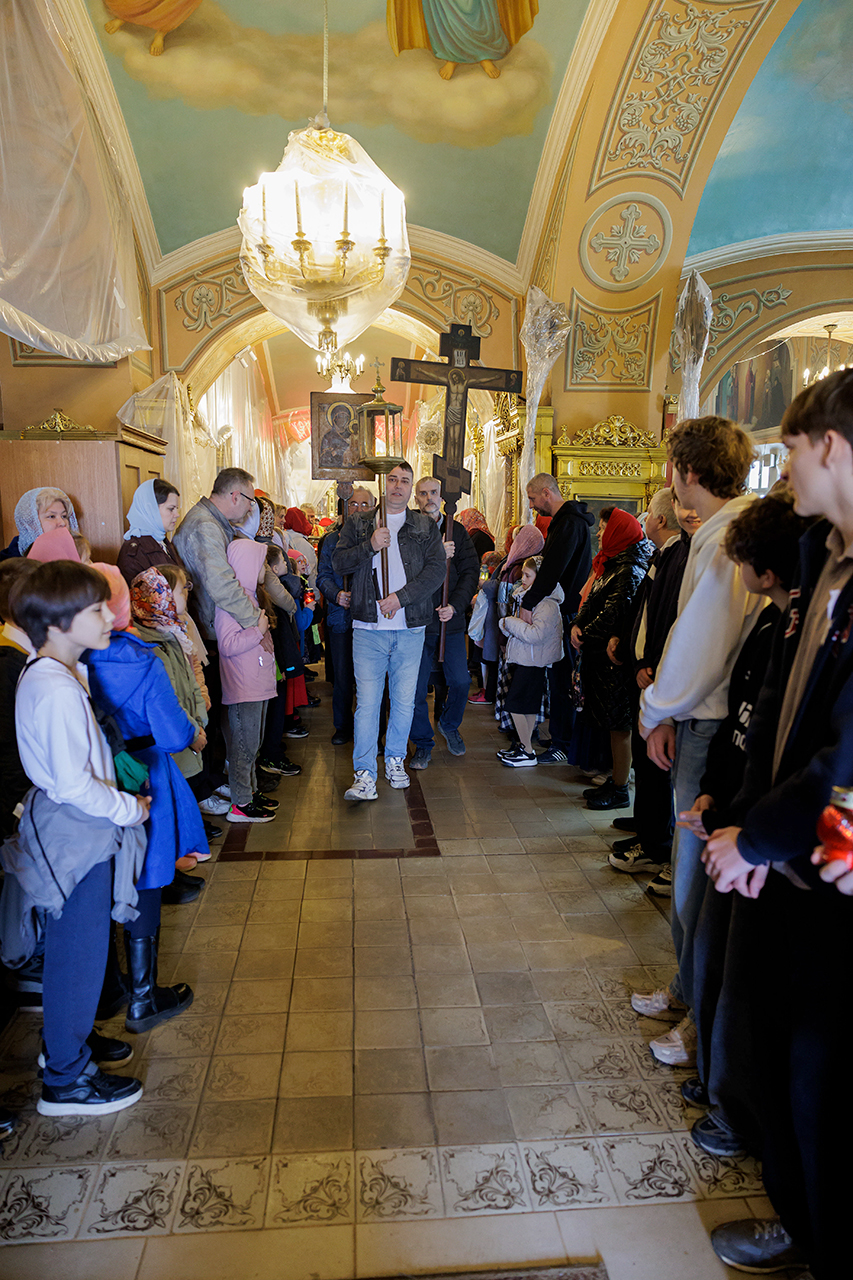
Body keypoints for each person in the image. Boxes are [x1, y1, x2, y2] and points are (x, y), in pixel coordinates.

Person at [693, 371, 853, 1280]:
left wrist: (757, 839)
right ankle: (796, 1222)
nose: (779, 466)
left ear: (828, 444)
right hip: (787, 857)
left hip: (832, 865)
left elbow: (845, 749)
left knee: (821, 1080)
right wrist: (745, 825)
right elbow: (779, 716)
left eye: (788, 449)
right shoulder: (818, 552)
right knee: (781, 1061)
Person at [674, 490, 811, 1164]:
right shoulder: (772, 627)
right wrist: (716, 796)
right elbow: (746, 728)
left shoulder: (799, 627)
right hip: (738, 813)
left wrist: (747, 827)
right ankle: (718, 1078)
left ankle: (736, 1106)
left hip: (767, 834)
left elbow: (793, 746)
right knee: (713, 956)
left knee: (741, 977)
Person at [633, 415, 764, 1069]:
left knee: (694, 881)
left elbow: (701, 643)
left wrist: (655, 708)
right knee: (690, 875)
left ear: (685, 472)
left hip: (710, 725)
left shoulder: (725, 540)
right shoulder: (717, 530)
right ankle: (687, 989)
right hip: (700, 717)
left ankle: (699, 1016)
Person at [8, 561, 148, 1116]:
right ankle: (65, 1080)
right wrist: (129, 809)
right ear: (58, 623)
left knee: (80, 948)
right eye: (95, 609)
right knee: (79, 953)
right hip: (75, 829)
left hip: (73, 825)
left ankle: (68, 1044)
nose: (109, 616)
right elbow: (73, 784)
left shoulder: (54, 673)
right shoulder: (54, 688)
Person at [332, 461, 446, 800]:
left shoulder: (423, 525)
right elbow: (338, 562)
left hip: (409, 628)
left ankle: (395, 759)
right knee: (367, 704)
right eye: (392, 479)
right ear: (384, 484)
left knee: (404, 701)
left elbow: (436, 570)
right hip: (369, 627)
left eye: (404, 481)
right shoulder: (359, 523)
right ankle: (365, 774)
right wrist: (370, 545)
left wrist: (401, 598)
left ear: (411, 488)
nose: (398, 486)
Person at [607, 487, 694, 890]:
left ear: (660, 518)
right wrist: (632, 650)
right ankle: (649, 832)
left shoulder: (681, 555)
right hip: (647, 671)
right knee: (647, 766)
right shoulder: (666, 554)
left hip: (660, 677)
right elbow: (646, 613)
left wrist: (651, 664)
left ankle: (657, 843)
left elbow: (672, 621)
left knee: (658, 768)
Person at [571, 507, 652, 810]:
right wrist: (577, 624)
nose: (600, 533)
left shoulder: (629, 568)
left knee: (620, 725)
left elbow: (614, 614)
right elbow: (592, 601)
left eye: (606, 528)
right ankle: (616, 780)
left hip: (615, 662)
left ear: (619, 532)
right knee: (612, 724)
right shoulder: (612, 563)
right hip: (600, 657)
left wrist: (585, 633)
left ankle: (620, 788)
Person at [409, 476, 480, 766]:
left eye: (433, 492)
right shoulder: (409, 530)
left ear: (442, 496)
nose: (429, 498)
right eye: (423, 493)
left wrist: (455, 605)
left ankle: (449, 724)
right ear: (416, 498)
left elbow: (470, 572)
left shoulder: (457, 531)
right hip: (418, 622)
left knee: (461, 681)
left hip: (450, 621)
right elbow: (407, 569)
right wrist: (437, 552)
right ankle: (423, 742)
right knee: (414, 689)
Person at [524, 472, 594, 763]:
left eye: (532, 498)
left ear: (546, 493)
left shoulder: (568, 523)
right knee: (558, 676)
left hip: (565, 612)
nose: (531, 505)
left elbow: (552, 569)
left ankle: (563, 742)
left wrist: (529, 602)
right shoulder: (568, 521)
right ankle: (561, 737)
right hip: (565, 609)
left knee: (563, 678)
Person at [216, 539, 278, 822]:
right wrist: (258, 631)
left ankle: (250, 792)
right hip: (244, 687)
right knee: (243, 746)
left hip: (258, 684)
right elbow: (227, 644)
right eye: (261, 563)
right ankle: (240, 803)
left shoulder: (250, 597)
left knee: (253, 743)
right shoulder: (231, 602)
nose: (265, 568)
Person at [317, 487, 375, 745]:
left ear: (373, 507)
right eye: (353, 504)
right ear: (344, 506)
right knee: (342, 676)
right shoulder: (331, 540)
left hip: (370, 618)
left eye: (365, 505)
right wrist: (337, 594)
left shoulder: (378, 537)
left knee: (370, 678)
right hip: (340, 617)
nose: (358, 509)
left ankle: (371, 729)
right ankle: (342, 726)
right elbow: (323, 576)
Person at [496, 555, 563, 766]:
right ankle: (525, 747)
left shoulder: (546, 604)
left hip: (533, 661)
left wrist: (509, 623)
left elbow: (536, 634)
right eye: (522, 575)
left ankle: (527, 750)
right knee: (526, 705)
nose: (522, 579)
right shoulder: (529, 599)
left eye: (527, 575)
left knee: (516, 704)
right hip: (527, 658)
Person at [117, 478, 185, 584]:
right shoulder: (134, 553)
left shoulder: (162, 541)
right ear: (150, 509)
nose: (177, 514)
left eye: (176, 508)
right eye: (171, 509)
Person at [1, 486, 79, 559]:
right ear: (31, 524)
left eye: (64, 516)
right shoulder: (8, 564)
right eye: (51, 516)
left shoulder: (76, 552)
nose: (62, 523)